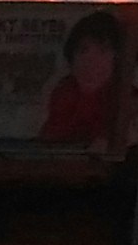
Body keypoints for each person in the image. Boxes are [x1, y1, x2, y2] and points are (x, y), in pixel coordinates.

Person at [36, 10, 124, 149]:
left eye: (103, 51)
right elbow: (48, 145)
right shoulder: (64, 93)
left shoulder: (126, 99)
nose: (91, 61)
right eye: (83, 50)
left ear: (117, 58)